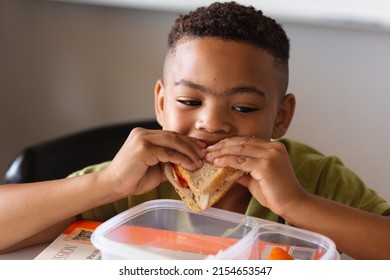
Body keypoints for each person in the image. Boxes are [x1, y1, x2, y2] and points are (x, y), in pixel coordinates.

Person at [1, 1, 389, 259]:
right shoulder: (129, 183)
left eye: (243, 107)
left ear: (281, 116)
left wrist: (297, 204)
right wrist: (107, 185)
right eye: (190, 101)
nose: (213, 123)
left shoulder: (311, 175)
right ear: (161, 103)